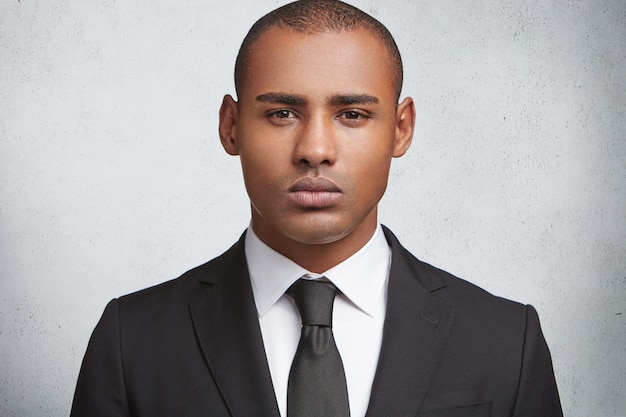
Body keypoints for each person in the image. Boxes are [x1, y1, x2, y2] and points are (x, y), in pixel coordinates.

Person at [70, 1, 563, 416]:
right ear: (231, 126)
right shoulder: (131, 341)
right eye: (282, 113)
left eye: (352, 114)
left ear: (401, 128)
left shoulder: (504, 341)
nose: (316, 149)